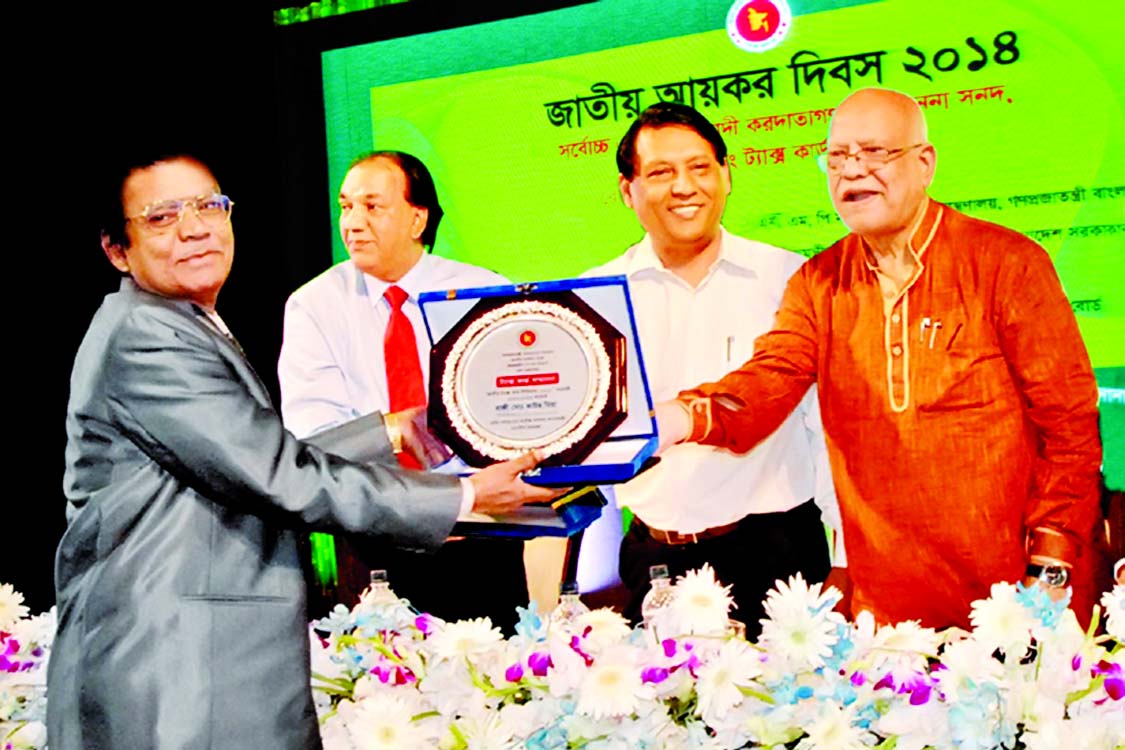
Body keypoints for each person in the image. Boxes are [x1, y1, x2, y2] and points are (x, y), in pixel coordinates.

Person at [48, 151, 558, 750]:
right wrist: (465, 493)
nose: (194, 227)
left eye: (209, 205)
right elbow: (274, 474)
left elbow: (252, 457)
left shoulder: (181, 321)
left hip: (208, 662)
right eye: (161, 218)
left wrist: (392, 433)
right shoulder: (148, 335)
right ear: (118, 249)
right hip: (180, 668)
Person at [655, 88, 1103, 629]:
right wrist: (677, 418)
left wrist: (1051, 566)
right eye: (837, 157)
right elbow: (769, 378)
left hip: (1019, 597)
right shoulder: (819, 283)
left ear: (925, 163)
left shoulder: (1005, 263)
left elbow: (1070, 425)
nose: (852, 172)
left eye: (874, 153)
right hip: (888, 616)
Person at [584, 102, 845, 637]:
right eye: (660, 172)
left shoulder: (790, 277)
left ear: (727, 174)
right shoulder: (594, 297)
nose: (684, 186)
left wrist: (844, 553)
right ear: (627, 190)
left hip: (778, 553)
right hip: (653, 558)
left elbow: (827, 430)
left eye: (700, 167)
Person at [278, 151, 529, 630]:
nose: (352, 222)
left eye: (372, 207)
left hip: (481, 536)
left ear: (418, 218)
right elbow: (314, 438)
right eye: (345, 206)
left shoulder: (486, 292)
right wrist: (393, 432)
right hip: (376, 540)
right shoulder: (314, 306)